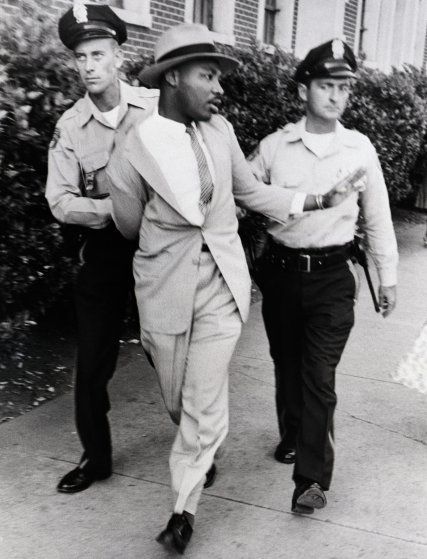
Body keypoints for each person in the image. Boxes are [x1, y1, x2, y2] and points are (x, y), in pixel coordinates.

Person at [106, 24, 365, 554]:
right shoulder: (130, 150)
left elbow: (255, 193)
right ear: (173, 77)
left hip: (223, 286)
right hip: (164, 290)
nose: (219, 87)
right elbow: (130, 225)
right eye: (208, 76)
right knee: (179, 400)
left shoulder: (220, 133)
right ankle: (199, 448)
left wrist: (318, 200)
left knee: (203, 402)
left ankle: (182, 511)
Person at [247, 38, 398, 515]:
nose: (336, 96)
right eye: (326, 86)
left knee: (319, 375)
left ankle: (310, 479)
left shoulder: (359, 149)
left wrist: (387, 276)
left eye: (343, 88)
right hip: (282, 273)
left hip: (333, 277)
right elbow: (242, 195)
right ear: (302, 91)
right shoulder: (274, 148)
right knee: (287, 362)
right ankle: (292, 431)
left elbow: (377, 216)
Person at [45, 3, 158, 494]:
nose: (88, 65)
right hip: (105, 251)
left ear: (118, 55)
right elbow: (60, 200)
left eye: (97, 53)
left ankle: (197, 450)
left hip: (160, 247)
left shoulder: (155, 109)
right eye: (80, 57)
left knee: (171, 354)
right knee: (92, 363)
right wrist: (117, 210)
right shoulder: (70, 126)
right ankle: (96, 456)